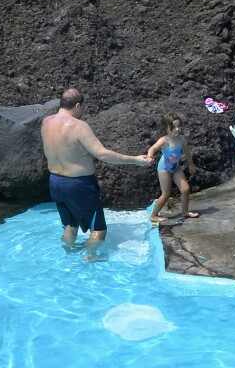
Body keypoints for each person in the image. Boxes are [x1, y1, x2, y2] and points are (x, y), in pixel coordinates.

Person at [41, 88, 153, 260]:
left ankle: (68, 253)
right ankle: (91, 256)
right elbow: (102, 154)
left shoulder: (46, 122)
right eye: (83, 107)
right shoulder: (79, 126)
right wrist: (135, 160)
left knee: (70, 224)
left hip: (55, 182)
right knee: (99, 229)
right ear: (77, 106)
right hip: (79, 185)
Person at [147, 113, 198, 224]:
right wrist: (150, 156)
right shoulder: (164, 140)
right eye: (173, 127)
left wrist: (191, 164)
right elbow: (152, 148)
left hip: (175, 167)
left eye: (179, 126)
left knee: (185, 189)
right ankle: (154, 215)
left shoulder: (181, 139)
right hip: (164, 168)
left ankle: (185, 211)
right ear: (166, 128)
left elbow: (186, 151)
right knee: (166, 193)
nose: (177, 129)